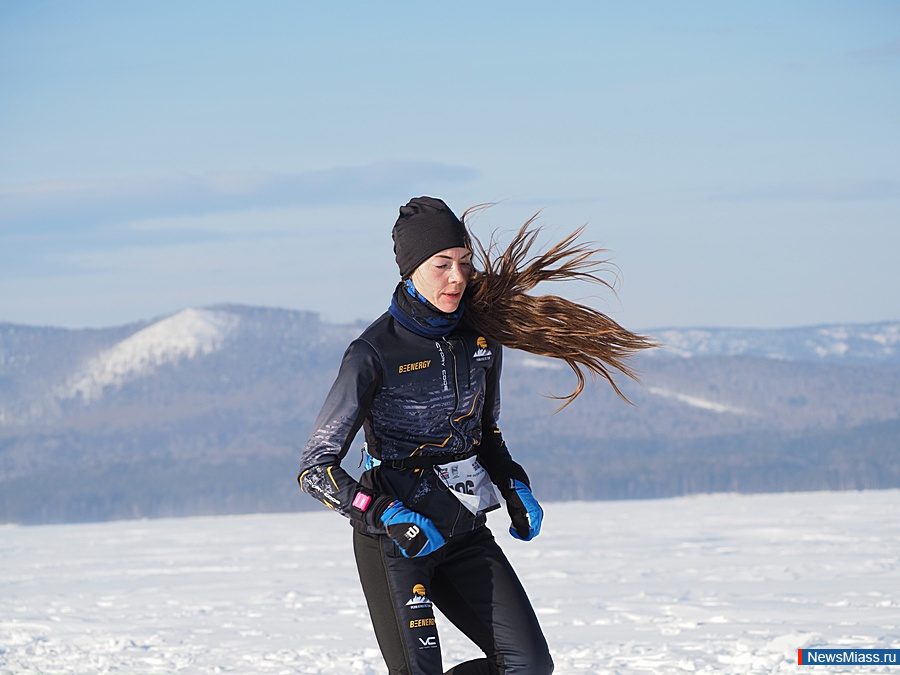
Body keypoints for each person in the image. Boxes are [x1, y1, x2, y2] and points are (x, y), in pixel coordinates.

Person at [298, 197, 653, 674]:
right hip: (399, 543)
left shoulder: (480, 338)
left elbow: (485, 433)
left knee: (528, 666)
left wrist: (513, 484)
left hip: (464, 530)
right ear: (410, 269)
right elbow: (315, 469)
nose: (457, 277)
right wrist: (383, 512)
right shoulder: (372, 352)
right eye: (442, 264)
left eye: (464, 263)